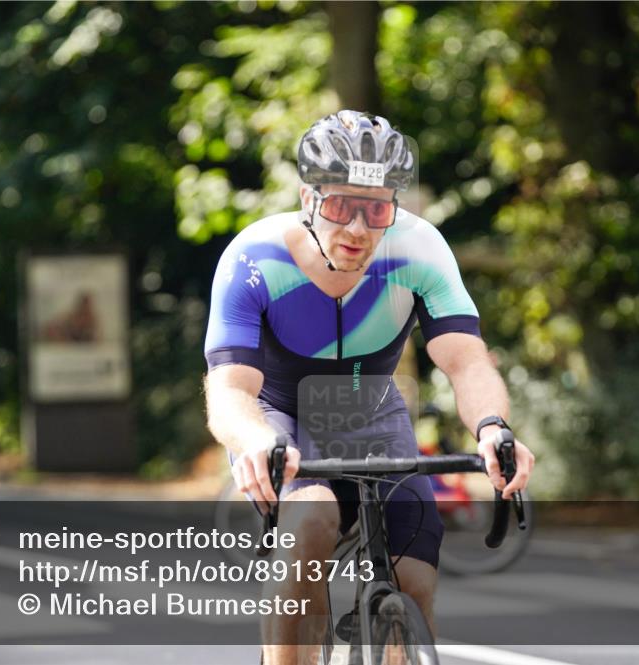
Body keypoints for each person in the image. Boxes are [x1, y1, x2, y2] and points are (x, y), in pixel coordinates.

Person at [203, 110, 535, 664]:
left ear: (394, 207)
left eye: (376, 208)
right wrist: (255, 441)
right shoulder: (254, 258)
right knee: (310, 521)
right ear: (309, 198)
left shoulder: (419, 249)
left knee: (416, 581)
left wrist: (493, 427)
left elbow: (466, 360)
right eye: (340, 205)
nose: (357, 228)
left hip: (371, 413)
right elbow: (230, 388)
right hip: (282, 418)